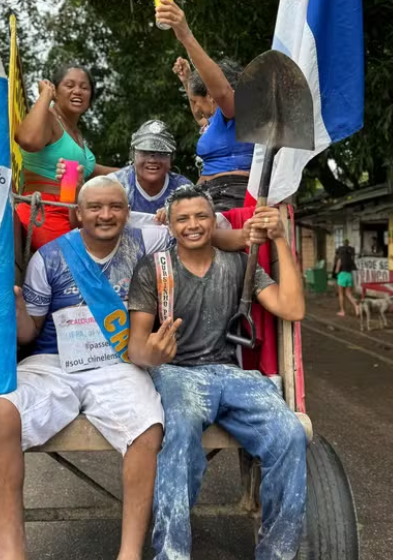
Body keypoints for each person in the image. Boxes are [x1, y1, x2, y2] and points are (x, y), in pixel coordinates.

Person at [0, 176, 267, 559]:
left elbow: (200, 236)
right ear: (79, 214)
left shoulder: (149, 241)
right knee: (3, 413)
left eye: (115, 207)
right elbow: (31, 333)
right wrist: (20, 311)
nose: (105, 215)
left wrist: (243, 239)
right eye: (95, 207)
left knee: (147, 427)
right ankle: (11, 551)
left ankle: (129, 553)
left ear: (128, 213)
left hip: (118, 364)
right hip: (54, 362)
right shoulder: (49, 258)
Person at [127, 185, 306, 559]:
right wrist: (155, 352)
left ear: (213, 220)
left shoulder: (239, 264)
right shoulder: (155, 268)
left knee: (290, 433)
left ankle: (277, 553)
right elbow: (136, 346)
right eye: (183, 219)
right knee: (179, 434)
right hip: (175, 372)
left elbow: (291, 308)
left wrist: (280, 241)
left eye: (201, 216)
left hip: (228, 372)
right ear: (171, 226)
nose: (193, 225)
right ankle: (171, 554)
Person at [156, 1, 255, 211]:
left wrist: (185, 35)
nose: (197, 109)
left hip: (231, 199)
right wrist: (187, 80)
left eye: (197, 101)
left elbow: (222, 91)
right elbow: (199, 116)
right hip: (209, 195)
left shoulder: (236, 110)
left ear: (211, 96)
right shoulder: (215, 122)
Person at [14, 64, 119, 250]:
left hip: (74, 212)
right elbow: (28, 140)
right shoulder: (48, 118)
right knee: (71, 271)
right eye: (69, 85)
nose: (77, 91)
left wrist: (141, 170)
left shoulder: (76, 134)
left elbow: (93, 171)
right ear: (56, 90)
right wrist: (45, 94)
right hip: (44, 212)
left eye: (84, 87)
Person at [109, 120, 192, 214]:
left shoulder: (183, 188)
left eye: (162, 153)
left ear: (172, 158)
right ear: (132, 155)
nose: (152, 160)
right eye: (145, 152)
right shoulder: (115, 185)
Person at [334, 239, 359, 317]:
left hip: (342, 276)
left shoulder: (340, 259)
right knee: (348, 294)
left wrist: (336, 271)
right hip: (349, 275)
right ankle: (356, 306)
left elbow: (337, 270)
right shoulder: (350, 259)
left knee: (341, 294)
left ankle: (342, 311)